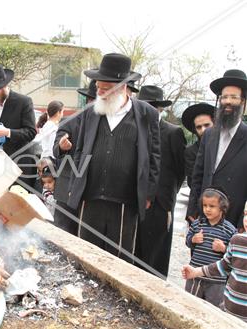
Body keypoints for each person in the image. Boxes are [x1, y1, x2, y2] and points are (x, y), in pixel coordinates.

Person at [66, 53, 160, 262]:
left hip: (126, 201)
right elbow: (80, 150)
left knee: (118, 260)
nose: (99, 92)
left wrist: (148, 193)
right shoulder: (91, 112)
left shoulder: (147, 114)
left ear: (123, 87)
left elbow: (153, 157)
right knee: (86, 257)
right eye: (98, 86)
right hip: (90, 197)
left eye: (105, 88)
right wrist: (75, 183)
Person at [135, 85, 186, 277]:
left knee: (155, 257)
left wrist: (166, 200)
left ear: (160, 109)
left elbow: (181, 171)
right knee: (134, 252)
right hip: (135, 201)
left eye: (152, 106)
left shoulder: (173, 133)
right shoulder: (135, 129)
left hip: (160, 204)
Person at [187, 69, 247, 229]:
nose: (227, 101)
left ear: (243, 101)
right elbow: (197, 175)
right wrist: (192, 211)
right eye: (224, 97)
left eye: (233, 97)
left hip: (233, 220)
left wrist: (243, 222)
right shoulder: (209, 135)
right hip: (204, 217)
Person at [182, 203, 247, 322]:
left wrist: (222, 248)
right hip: (228, 311)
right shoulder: (237, 240)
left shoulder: (229, 230)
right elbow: (223, 265)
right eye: (246, 214)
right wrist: (195, 272)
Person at [0, 64, 37, 188]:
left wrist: (7, 132)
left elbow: (31, 132)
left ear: (5, 86)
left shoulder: (24, 102)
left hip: (20, 165)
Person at [50, 80, 97, 235]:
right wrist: (62, 147)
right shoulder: (69, 121)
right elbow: (56, 147)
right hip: (66, 189)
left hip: (92, 193)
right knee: (62, 236)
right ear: (89, 101)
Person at [184, 187, 236, 306]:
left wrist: (223, 248)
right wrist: (193, 239)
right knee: (190, 305)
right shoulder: (198, 224)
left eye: (212, 206)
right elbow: (187, 242)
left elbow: (234, 254)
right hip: (195, 275)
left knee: (213, 309)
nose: (207, 209)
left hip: (216, 281)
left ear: (222, 208)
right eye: (205, 205)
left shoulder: (229, 229)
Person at [181, 103, 215, 187]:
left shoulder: (226, 145)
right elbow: (194, 182)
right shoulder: (191, 152)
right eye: (199, 127)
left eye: (207, 125)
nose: (203, 130)